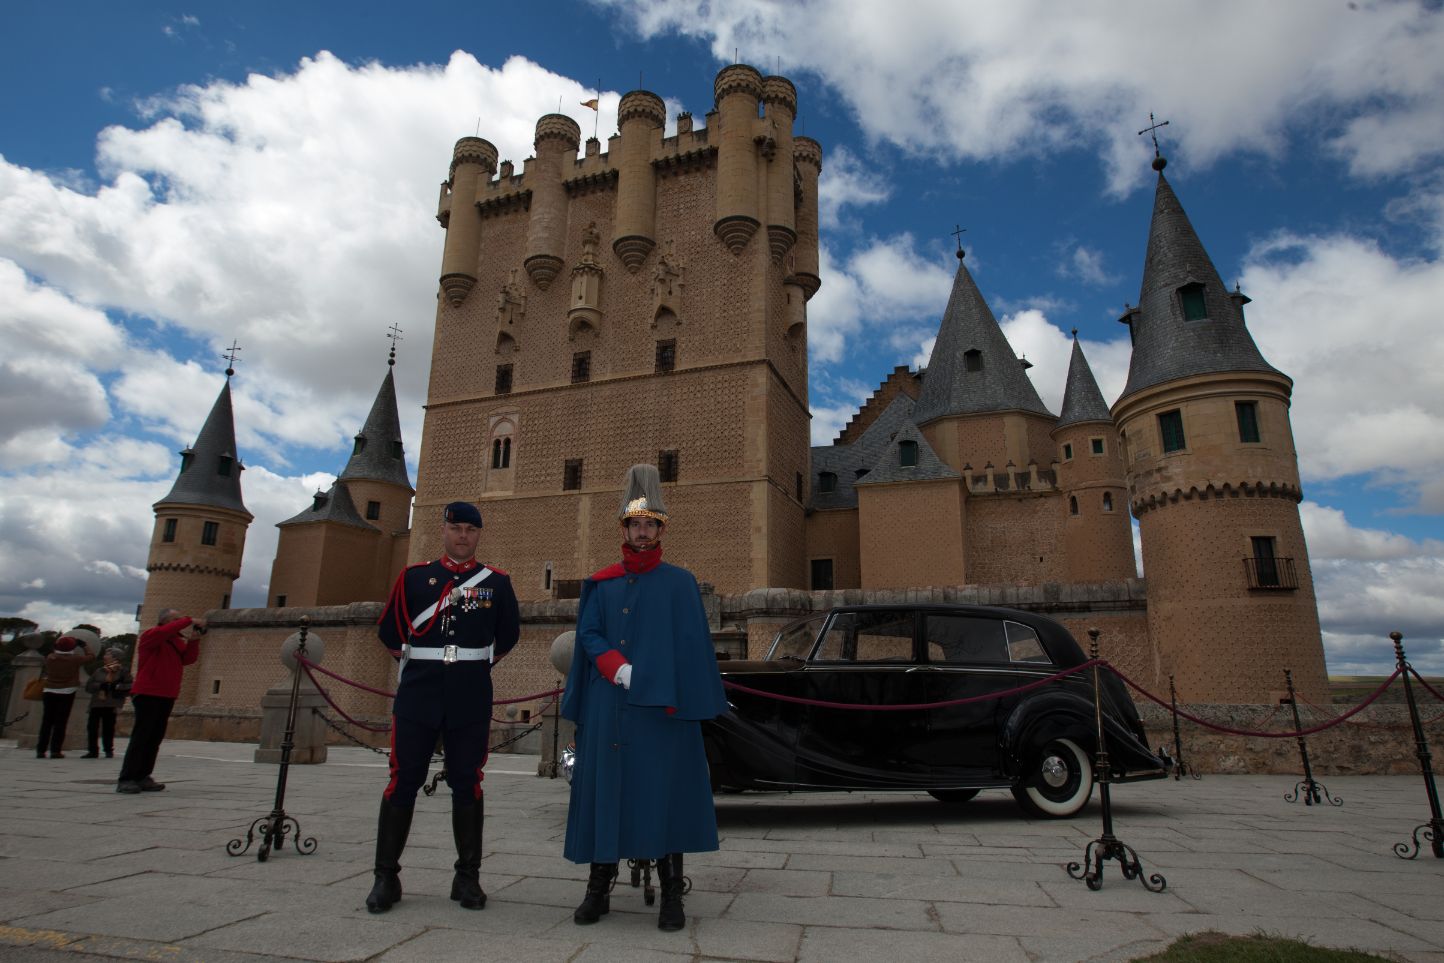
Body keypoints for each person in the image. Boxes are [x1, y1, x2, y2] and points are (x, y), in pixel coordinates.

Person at [562, 464, 728, 932]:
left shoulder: (680, 582)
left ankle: (672, 893)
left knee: (663, 795)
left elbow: (690, 647)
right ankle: (599, 888)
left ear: (660, 531)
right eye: (635, 524)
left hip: (661, 710)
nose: (641, 531)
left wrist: (658, 682)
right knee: (606, 792)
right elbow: (589, 633)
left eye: (649, 524)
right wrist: (617, 667)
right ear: (624, 528)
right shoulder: (602, 582)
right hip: (609, 704)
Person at [365, 501, 521, 914]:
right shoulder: (413, 577)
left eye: (470, 529)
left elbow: (507, 636)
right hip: (419, 693)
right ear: (444, 531)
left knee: (468, 781)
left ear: (479, 534)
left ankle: (467, 877)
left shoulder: (497, 583)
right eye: (456, 528)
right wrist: (425, 665)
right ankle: (386, 877)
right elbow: (390, 633)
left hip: (469, 694)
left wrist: (469, 665)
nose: (463, 536)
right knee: (403, 779)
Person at [116, 609, 205, 793]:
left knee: (154, 738)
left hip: (167, 693)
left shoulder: (175, 641)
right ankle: (127, 778)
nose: (180, 622)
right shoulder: (151, 635)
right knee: (141, 737)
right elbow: (165, 631)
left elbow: (188, 659)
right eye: (175, 619)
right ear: (164, 621)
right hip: (147, 693)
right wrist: (189, 619)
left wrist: (194, 641)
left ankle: (143, 776)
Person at [37, 628, 97, 758]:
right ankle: (55, 750)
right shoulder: (75, 659)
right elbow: (91, 656)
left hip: (49, 690)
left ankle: (41, 750)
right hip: (67, 691)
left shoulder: (50, 658)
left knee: (47, 721)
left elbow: (55, 649)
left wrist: (60, 643)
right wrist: (84, 645)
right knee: (61, 722)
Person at [84, 647, 133, 758]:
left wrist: (116, 686)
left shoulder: (123, 671)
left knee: (108, 727)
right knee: (92, 727)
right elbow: (89, 686)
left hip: (112, 703)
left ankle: (108, 750)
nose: (104, 656)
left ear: (115, 658)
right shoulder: (99, 671)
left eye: (107, 654)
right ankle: (92, 750)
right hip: (97, 702)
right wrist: (100, 686)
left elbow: (129, 686)